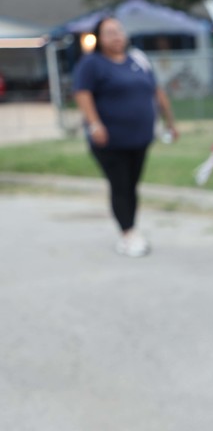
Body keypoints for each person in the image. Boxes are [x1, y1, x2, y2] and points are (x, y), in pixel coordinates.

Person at [73, 16, 178, 257]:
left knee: (131, 185)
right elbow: (82, 94)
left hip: (139, 139)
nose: (116, 36)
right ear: (99, 37)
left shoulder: (137, 59)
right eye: (109, 32)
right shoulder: (92, 63)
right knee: (120, 185)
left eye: (119, 31)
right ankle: (128, 234)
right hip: (109, 141)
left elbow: (156, 91)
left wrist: (170, 121)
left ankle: (129, 229)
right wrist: (95, 124)